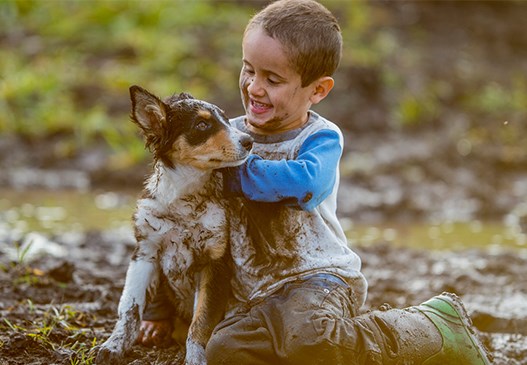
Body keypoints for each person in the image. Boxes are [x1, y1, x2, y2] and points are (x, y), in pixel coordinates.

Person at [138, 1, 491, 364]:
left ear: (318, 90)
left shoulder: (319, 138)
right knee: (224, 350)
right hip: (255, 294)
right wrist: (157, 308)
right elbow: (174, 223)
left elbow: (304, 184)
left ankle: (432, 325)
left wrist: (231, 171)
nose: (254, 88)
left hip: (317, 279)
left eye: (272, 79)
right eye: (248, 70)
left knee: (309, 336)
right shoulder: (230, 137)